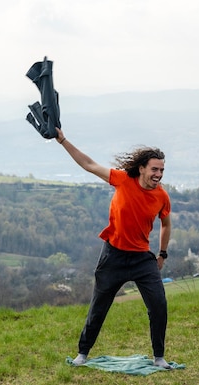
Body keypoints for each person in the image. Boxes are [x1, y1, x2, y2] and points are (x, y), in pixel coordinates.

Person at [55, 128, 173, 369]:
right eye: (154, 169)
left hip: (142, 258)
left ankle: (159, 358)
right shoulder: (122, 179)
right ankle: (83, 353)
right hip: (114, 256)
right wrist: (63, 140)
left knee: (159, 305)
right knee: (99, 306)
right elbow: (88, 164)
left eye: (161, 169)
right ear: (141, 168)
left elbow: (166, 223)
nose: (159, 174)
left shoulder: (162, 196)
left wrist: (162, 253)